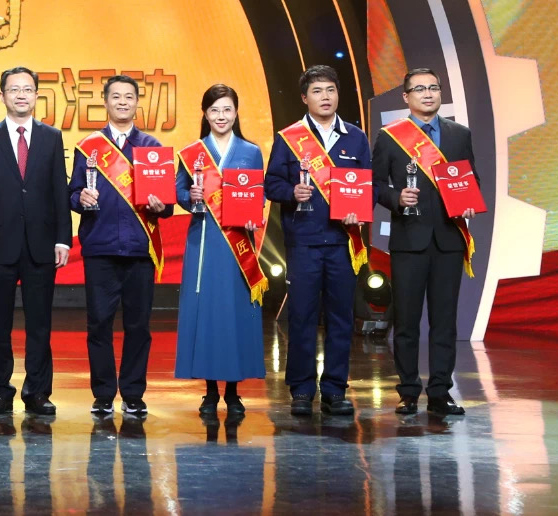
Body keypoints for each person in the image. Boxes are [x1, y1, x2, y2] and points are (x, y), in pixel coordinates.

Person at [265, 65, 369, 417]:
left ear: (338, 94)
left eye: (330, 90)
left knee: (341, 318)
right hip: (304, 242)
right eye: (317, 91)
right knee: (302, 316)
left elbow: (367, 186)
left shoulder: (356, 137)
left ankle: (335, 389)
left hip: (342, 241)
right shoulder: (289, 138)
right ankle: (301, 389)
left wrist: (360, 211)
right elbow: (271, 184)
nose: (325, 97)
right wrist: (291, 192)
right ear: (304, 98)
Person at [373, 67, 477, 417]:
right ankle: (408, 392)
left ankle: (440, 393)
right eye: (419, 89)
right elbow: (375, 184)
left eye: (433, 87)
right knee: (406, 322)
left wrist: (469, 201)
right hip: (409, 241)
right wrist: (396, 198)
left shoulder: (459, 134)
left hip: (448, 240)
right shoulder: (390, 137)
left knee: (444, 322)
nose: (428, 94)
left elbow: (470, 178)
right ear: (406, 97)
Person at [68, 75, 173, 417]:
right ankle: (102, 394)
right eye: (116, 97)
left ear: (137, 102)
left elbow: (168, 206)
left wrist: (161, 205)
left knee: (138, 326)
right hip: (100, 249)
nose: (123, 102)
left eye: (129, 96)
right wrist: (80, 198)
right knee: (99, 324)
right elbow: (71, 193)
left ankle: (133, 394)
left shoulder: (152, 147)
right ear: (106, 102)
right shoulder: (89, 147)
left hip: (140, 250)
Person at [0, 66, 72, 416]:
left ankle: (38, 391)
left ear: (36, 95)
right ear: (2, 96)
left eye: (27, 89)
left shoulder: (51, 137)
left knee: (40, 323)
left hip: (42, 243)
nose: (21, 95)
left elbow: (59, 190)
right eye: (14, 89)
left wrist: (63, 238)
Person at [175, 84, 266, 416]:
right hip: (203, 240)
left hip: (237, 242)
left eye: (227, 109)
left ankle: (234, 391)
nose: (221, 116)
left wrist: (255, 214)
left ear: (236, 112)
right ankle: (211, 391)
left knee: (235, 312)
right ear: (205, 114)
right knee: (207, 312)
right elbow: (178, 191)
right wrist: (190, 197)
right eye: (214, 110)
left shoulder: (251, 151)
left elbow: (259, 193)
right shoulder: (192, 153)